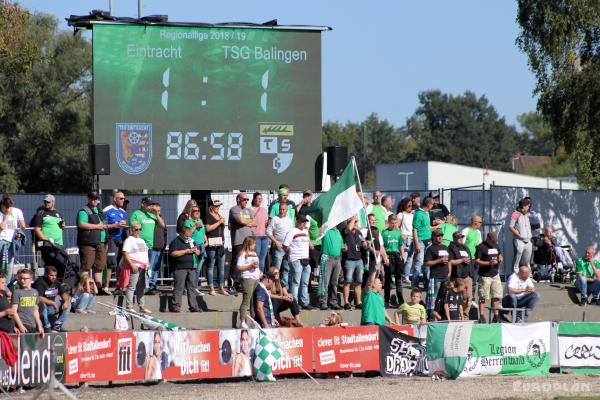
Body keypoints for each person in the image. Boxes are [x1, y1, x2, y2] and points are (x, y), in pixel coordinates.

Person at [129, 197, 165, 295]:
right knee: (141, 266)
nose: (149, 206)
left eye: (150, 204)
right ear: (142, 204)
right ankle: (137, 287)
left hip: (150, 246)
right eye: (147, 204)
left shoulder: (152, 215)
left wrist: (156, 214)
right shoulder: (136, 214)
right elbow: (133, 228)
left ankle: (147, 287)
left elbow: (162, 225)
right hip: (140, 245)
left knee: (149, 267)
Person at [77, 191, 109, 292]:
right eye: (92, 198)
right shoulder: (84, 211)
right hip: (88, 243)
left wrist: (114, 225)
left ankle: (98, 288)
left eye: (96, 198)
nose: (94, 200)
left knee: (99, 266)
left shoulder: (100, 211)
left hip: (101, 242)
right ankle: (84, 288)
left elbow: (103, 226)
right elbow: (81, 224)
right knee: (86, 266)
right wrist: (97, 226)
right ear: (89, 199)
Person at [168, 225, 202, 313]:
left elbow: (198, 252)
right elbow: (173, 253)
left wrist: (196, 251)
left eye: (190, 234)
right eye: (187, 235)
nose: (188, 236)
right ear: (182, 234)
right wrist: (185, 251)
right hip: (180, 268)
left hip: (192, 267)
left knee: (192, 288)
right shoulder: (176, 241)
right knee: (179, 287)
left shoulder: (192, 241)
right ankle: (176, 306)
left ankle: (193, 306)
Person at [121, 222, 151, 314]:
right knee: (132, 286)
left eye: (140, 229)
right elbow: (125, 253)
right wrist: (131, 265)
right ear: (131, 230)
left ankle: (141, 306)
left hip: (143, 266)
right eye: (136, 229)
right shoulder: (129, 240)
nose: (138, 231)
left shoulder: (141, 240)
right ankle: (129, 306)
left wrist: (147, 265)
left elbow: (144, 253)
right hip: (135, 265)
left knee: (141, 288)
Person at [283, 214, 312, 310]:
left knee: (305, 282)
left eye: (305, 222)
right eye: (302, 221)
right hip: (296, 259)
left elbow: (309, 244)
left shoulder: (306, 232)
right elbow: (285, 245)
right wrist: (291, 253)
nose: (304, 223)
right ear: (297, 221)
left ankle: (304, 302)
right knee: (296, 282)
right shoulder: (292, 231)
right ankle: (294, 303)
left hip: (305, 259)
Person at [229, 193, 256, 294]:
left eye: (247, 199)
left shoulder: (248, 210)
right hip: (238, 240)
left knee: (247, 262)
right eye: (244, 199)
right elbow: (241, 221)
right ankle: (233, 285)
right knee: (236, 262)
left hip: (248, 240)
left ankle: (242, 284)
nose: (246, 201)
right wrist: (248, 221)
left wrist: (246, 222)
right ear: (238, 199)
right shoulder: (234, 209)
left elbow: (255, 223)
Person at [475, 231, 504, 323]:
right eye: (492, 241)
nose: (494, 243)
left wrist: (500, 258)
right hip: (485, 275)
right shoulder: (481, 247)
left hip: (495, 274)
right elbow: (477, 261)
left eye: (495, 241)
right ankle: (482, 316)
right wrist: (488, 263)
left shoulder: (496, 246)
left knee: (496, 295)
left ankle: (496, 315)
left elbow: (500, 254)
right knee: (483, 296)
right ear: (488, 239)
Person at [103, 191, 128, 293]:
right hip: (111, 239)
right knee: (111, 264)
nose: (123, 201)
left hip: (121, 240)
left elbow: (124, 226)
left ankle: (118, 287)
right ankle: (106, 287)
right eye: (121, 198)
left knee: (120, 264)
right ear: (114, 199)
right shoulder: (107, 210)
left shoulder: (123, 212)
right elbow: (103, 226)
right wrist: (115, 225)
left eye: (123, 199)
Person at [424, 229, 450, 320]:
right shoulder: (431, 248)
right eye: (438, 235)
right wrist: (439, 260)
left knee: (443, 298)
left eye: (441, 235)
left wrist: (449, 273)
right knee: (432, 298)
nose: (440, 237)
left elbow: (449, 261)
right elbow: (426, 263)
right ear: (434, 237)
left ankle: (441, 315)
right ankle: (430, 317)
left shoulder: (445, 247)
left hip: (445, 277)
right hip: (435, 277)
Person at [33, 265, 69, 332]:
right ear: (46, 275)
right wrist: (53, 303)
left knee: (68, 304)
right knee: (42, 305)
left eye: (55, 275)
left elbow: (64, 294)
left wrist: (66, 301)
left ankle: (57, 325)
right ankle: (47, 327)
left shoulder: (56, 282)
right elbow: (39, 297)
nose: (54, 277)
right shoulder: (40, 282)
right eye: (51, 275)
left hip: (52, 308)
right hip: (41, 309)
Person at [342, 216, 367, 310]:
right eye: (354, 222)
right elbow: (348, 228)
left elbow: (363, 243)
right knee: (347, 282)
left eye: (356, 222)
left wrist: (365, 244)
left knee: (358, 282)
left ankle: (358, 302)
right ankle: (346, 302)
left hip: (359, 260)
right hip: (349, 260)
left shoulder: (359, 232)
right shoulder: (346, 231)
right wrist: (353, 218)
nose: (356, 223)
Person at [448, 231, 473, 319]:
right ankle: (458, 316)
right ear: (454, 238)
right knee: (459, 298)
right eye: (458, 237)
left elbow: (470, 259)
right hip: (458, 277)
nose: (460, 239)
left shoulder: (465, 247)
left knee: (468, 298)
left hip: (468, 276)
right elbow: (450, 261)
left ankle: (465, 317)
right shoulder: (451, 247)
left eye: (461, 237)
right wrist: (462, 260)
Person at [11, 269, 44, 335]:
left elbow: (35, 310)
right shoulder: (17, 292)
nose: (22, 280)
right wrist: (20, 326)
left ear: (31, 279)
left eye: (25, 279)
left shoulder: (35, 292)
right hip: (23, 324)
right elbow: (13, 311)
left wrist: (39, 326)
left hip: (33, 325)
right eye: (21, 278)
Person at [411, 197, 434, 289]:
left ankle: (427, 283)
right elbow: (415, 229)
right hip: (420, 241)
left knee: (427, 263)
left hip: (428, 240)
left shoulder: (427, 213)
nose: (433, 205)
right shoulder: (418, 214)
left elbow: (427, 227)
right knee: (419, 263)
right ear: (428, 204)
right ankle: (415, 285)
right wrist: (416, 243)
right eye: (432, 204)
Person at [318, 223, 343, 311]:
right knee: (324, 282)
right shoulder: (325, 230)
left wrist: (344, 248)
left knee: (334, 283)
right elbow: (319, 232)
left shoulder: (338, 232)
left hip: (337, 259)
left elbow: (341, 246)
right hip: (327, 258)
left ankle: (333, 302)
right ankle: (323, 302)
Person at [205, 199, 227, 296]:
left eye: (219, 206)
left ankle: (221, 287)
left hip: (221, 243)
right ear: (211, 207)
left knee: (221, 267)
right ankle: (211, 288)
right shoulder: (208, 216)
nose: (218, 207)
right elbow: (208, 228)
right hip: (212, 242)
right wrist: (219, 222)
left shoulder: (219, 216)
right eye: (216, 206)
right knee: (211, 266)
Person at [382, 214, 405, 307]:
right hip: (388, 255)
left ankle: (401, 301)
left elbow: (400, 245)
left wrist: (402, 256)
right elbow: (382, 246)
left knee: (398, 279)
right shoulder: (384, 233)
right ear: (388, 222)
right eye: (392, 223)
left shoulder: (398, 232)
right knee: (387, 279)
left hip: (397, 255)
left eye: (395, 223)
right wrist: (384, 257)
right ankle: (386, 300)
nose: (393, 225)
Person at [237, 236, 260, 328]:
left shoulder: (254, 253)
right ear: (249, 244)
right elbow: (238, 267)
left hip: (255, 278)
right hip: (247, 278)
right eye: (253, 243)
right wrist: (249, 266)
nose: (255, 245)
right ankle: (242, 321)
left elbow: (257, 266)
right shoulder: (242, 254)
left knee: (253, 301)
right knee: (246, 301)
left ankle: (254, 320)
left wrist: (260, 272)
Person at [0, 195, 26, 274]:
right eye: (6, 207)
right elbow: (2, 227)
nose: (7, 209)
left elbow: (23, 226)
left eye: (9, 207)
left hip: (11, 241)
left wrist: (19, 233)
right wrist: (7, 215)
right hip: (1, 240)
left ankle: (6, 285)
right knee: (2, 264)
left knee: (9, 265)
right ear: (2, 205)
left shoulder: (17, 211)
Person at [266, 202, 293, 277]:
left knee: (286, 268)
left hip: (287, 247)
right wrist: (275, 242)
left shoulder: (290, 220)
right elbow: (268, 231)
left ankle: (285, 286)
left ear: (287, 210)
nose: (282, 211)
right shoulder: (275, 218)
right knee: (276, 269)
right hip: (279, 247)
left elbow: (292, 232)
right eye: (280, 209)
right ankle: (273, 285)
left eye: (284, 209)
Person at [509, 198, 533, 274]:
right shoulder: (515, 213)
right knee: (517, 258)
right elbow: (511, 226)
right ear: (524, 206)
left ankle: (528, 275)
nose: (529, 208)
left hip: (528, 240)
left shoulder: (527, 215)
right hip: (519, 240)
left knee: (527, 260)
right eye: (528, 206)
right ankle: (515, 274)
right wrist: (519, 235)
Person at [186, 206, 207, 292]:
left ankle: (194, 287)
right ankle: (189, 287)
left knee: (198, 269)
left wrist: (206, 241)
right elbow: (187, 234)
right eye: (195, 211)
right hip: (193, 246)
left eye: (198, 210)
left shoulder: (200, 220)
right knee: (192, 268)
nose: (197, 212)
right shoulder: (187, 222)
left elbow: (203, 233)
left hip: (201, 246)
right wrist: (194, 225)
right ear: (191, 212)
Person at [149, 202, 167, 293]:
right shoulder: (149, 219)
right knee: (150, 268)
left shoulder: (160, 219)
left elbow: (164, 231)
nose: (158, 212)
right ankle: (148, 286)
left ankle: (153, 285)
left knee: (156, 269)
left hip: (160, 248)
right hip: (151, 248)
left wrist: (164, 245)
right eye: (156, 210)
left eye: (159, 210)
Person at [250, 192, 269, 273]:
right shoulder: (249, 210)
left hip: (265, 237)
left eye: (261, 199)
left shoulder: (264, 210)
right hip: (255, 237)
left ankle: (260, 276)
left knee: (262, 259)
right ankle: (254, 275)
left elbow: (266, 223)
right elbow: (247, 223)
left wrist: (269, 223)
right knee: (255, 257)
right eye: (258, 198)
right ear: (254, 199)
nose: (260, 200)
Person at [397, 197, 414, 284]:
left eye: (411, 205)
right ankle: (399, 275)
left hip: (412, 238)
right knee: (403, 258)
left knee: (410, 259)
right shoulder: (401, 214)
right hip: (404, 239)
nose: (410, 207)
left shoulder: (413, 215)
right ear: (404, 205)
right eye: (408, 205)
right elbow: (397, 226)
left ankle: (406, 276)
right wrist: (401, 234)